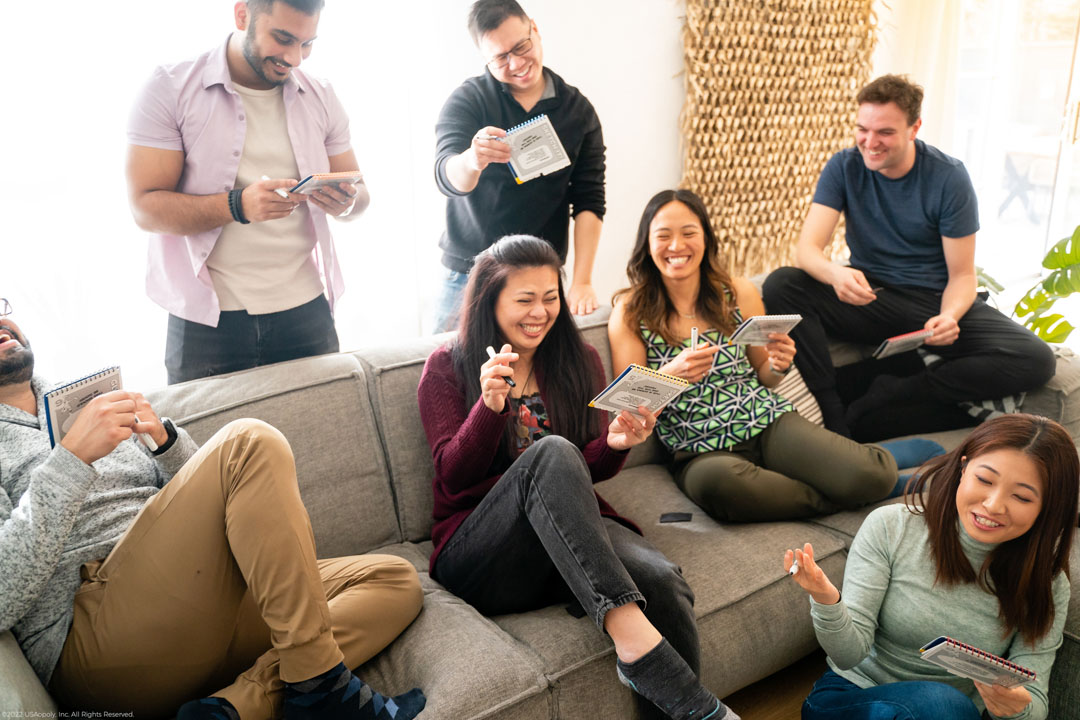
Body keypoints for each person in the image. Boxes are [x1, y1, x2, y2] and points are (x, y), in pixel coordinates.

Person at [0, 298, 425, 720]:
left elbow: (229, 496)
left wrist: (165, 445)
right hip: (98, 636)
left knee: (394, 580)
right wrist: (71, 461)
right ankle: (323, 688)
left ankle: (237, 707)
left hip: (196, 604)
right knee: (248, 441)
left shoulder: (81, 404)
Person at [417, 236, 738, 720]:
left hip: (564, 541)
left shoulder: (578, 359)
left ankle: (678, 703)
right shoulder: (447, 367)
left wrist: (613, 444)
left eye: (550, 298)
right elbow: (453, 477)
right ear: (490, 301)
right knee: (551, 450)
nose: (540, 313)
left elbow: (582, 471)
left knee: (663, 583)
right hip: (484, 556)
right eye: (524, 300)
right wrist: (488, 409)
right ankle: (633, 639)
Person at [609, 189, 942, 522]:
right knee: (721, 489)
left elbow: (764, 375)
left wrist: (779, 364)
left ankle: (873, 477)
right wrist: (672, 373)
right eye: (663, 236)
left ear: (706, 239)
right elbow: (631, 409)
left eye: (689, 233)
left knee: (872, 476)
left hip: (764, 422)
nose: (677, 246)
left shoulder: (738, 292)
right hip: (698, 452)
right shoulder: (629, 312)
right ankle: (852, 491)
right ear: (647, 244)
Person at [762, 74, 1054, 441]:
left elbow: (963, 276)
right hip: (872, 298)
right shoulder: (844, 166)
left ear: (915, 127)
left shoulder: (948, 177)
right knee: (783, 284)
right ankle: (832, 410)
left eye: (884, 132)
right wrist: (836, 275)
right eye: (862, 129)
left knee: (1035, 358)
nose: (870, 142)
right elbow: (807, 250)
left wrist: (948, 317)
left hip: (928, 305)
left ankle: (899, 390)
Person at [127, 0, 370, 385]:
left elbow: (360, 196)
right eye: (284, 38)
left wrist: (346, 201)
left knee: (321, 439)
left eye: (307, 43)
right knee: (207, 445)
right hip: (208, 318)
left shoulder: (321, 94)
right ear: (242, 15)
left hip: (305, 308)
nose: (295, 58)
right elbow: (146, 207)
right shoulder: (171, 87)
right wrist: (237, 205)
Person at [785, 414, 1077, 720]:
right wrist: (826, 600)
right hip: (855, 695)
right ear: (964, 469)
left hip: (955, 714)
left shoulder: (1048, 584)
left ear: (1049, 507)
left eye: (1020, 496)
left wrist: (1017, 708)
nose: (993, 505)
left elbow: (1037, 701)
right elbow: (848, 655)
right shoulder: (892, 527)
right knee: (940, 704)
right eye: (984, 480)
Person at [432, 0, 606, 332]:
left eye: (521, 47)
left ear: (535, 29)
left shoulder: (577, 111)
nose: (517, 63)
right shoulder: (468, 100)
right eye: (500, 58)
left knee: (537, 377)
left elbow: (589, 198)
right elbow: (447, 175)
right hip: (468, 275)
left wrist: (581, 281)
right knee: (445, 372)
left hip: (538, 280)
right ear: (485, 58)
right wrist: (473, 158)